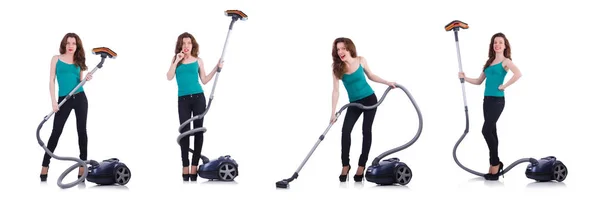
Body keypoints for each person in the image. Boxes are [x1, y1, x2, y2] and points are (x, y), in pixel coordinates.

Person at [330, 37, 396, 182]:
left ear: (349, 48)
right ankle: (345, 166)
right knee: (345, 131)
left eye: (343, 48)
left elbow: (371, 75)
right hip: (354, 103)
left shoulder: (360, 60)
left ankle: (361, 165)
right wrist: (333, 113)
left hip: (370, 99)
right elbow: (336, 91)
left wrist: (387, 82)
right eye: (338, 49)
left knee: (366, 131)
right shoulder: (336, 68)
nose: (340, 52)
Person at [458, 32, 522, 180]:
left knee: (486, 130)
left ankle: (495, 163)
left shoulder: (506, 62)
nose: (497, 45)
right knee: (492, 131)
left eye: (500, 42)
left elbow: (518, 74)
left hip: (498, 101)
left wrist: (504, 85)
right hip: (486, 100)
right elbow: (479, 81)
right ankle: (495, 167)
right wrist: (464, 78)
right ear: (492, 46)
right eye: (495, 42)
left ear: (505, 45)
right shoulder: (489, 62)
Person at [166, 32, 223, 182]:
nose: (186, 46)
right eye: (183, 43)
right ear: (180, 45)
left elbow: (204, 80)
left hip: (198, 98)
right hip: (183, 100)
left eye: (189, 43)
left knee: (198, 132)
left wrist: (216, 68)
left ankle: (194, 166)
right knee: (185, 132)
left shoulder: (198, 60)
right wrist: (176, 60)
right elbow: (169, 77)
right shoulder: (175, 60)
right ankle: (185, 166)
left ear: (193, 45)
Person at [40, 33, 93, 182]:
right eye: (68, 43)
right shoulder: (56, 59)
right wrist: (53, 102)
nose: (71, 46)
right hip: (64, 99)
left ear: (77, 46)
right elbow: (51, 80)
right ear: (64, 44)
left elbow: (79, 81)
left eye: (74, 43)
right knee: (56, 132)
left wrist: (86, 79)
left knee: (82, 131)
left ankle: (82, 166)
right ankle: (45, 166)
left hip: (80, 98)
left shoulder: (79, 60)